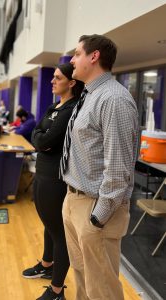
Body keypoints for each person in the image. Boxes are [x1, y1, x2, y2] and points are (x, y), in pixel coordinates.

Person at [60, 35, 139, 300]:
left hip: (96, 208)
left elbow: (118, 169)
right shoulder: (89, 95)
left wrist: (97, 218)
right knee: (83, 278)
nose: (72, 59)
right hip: (74, 199)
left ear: (94, 57)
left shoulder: (114, 99)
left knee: (103, 289)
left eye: (77, 54)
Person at [22, 63, 84, 300]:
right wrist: (42, 140)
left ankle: (57, 291)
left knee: (59, 233)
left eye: (57, 77)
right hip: (42, 173)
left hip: (55, 178)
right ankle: (47, 264)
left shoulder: (70, 109)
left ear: (71, 83)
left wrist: (41, 140)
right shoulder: (52, 106)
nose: (52, 80)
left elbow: (43, 140)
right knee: (48, 225)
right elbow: (38, 136)